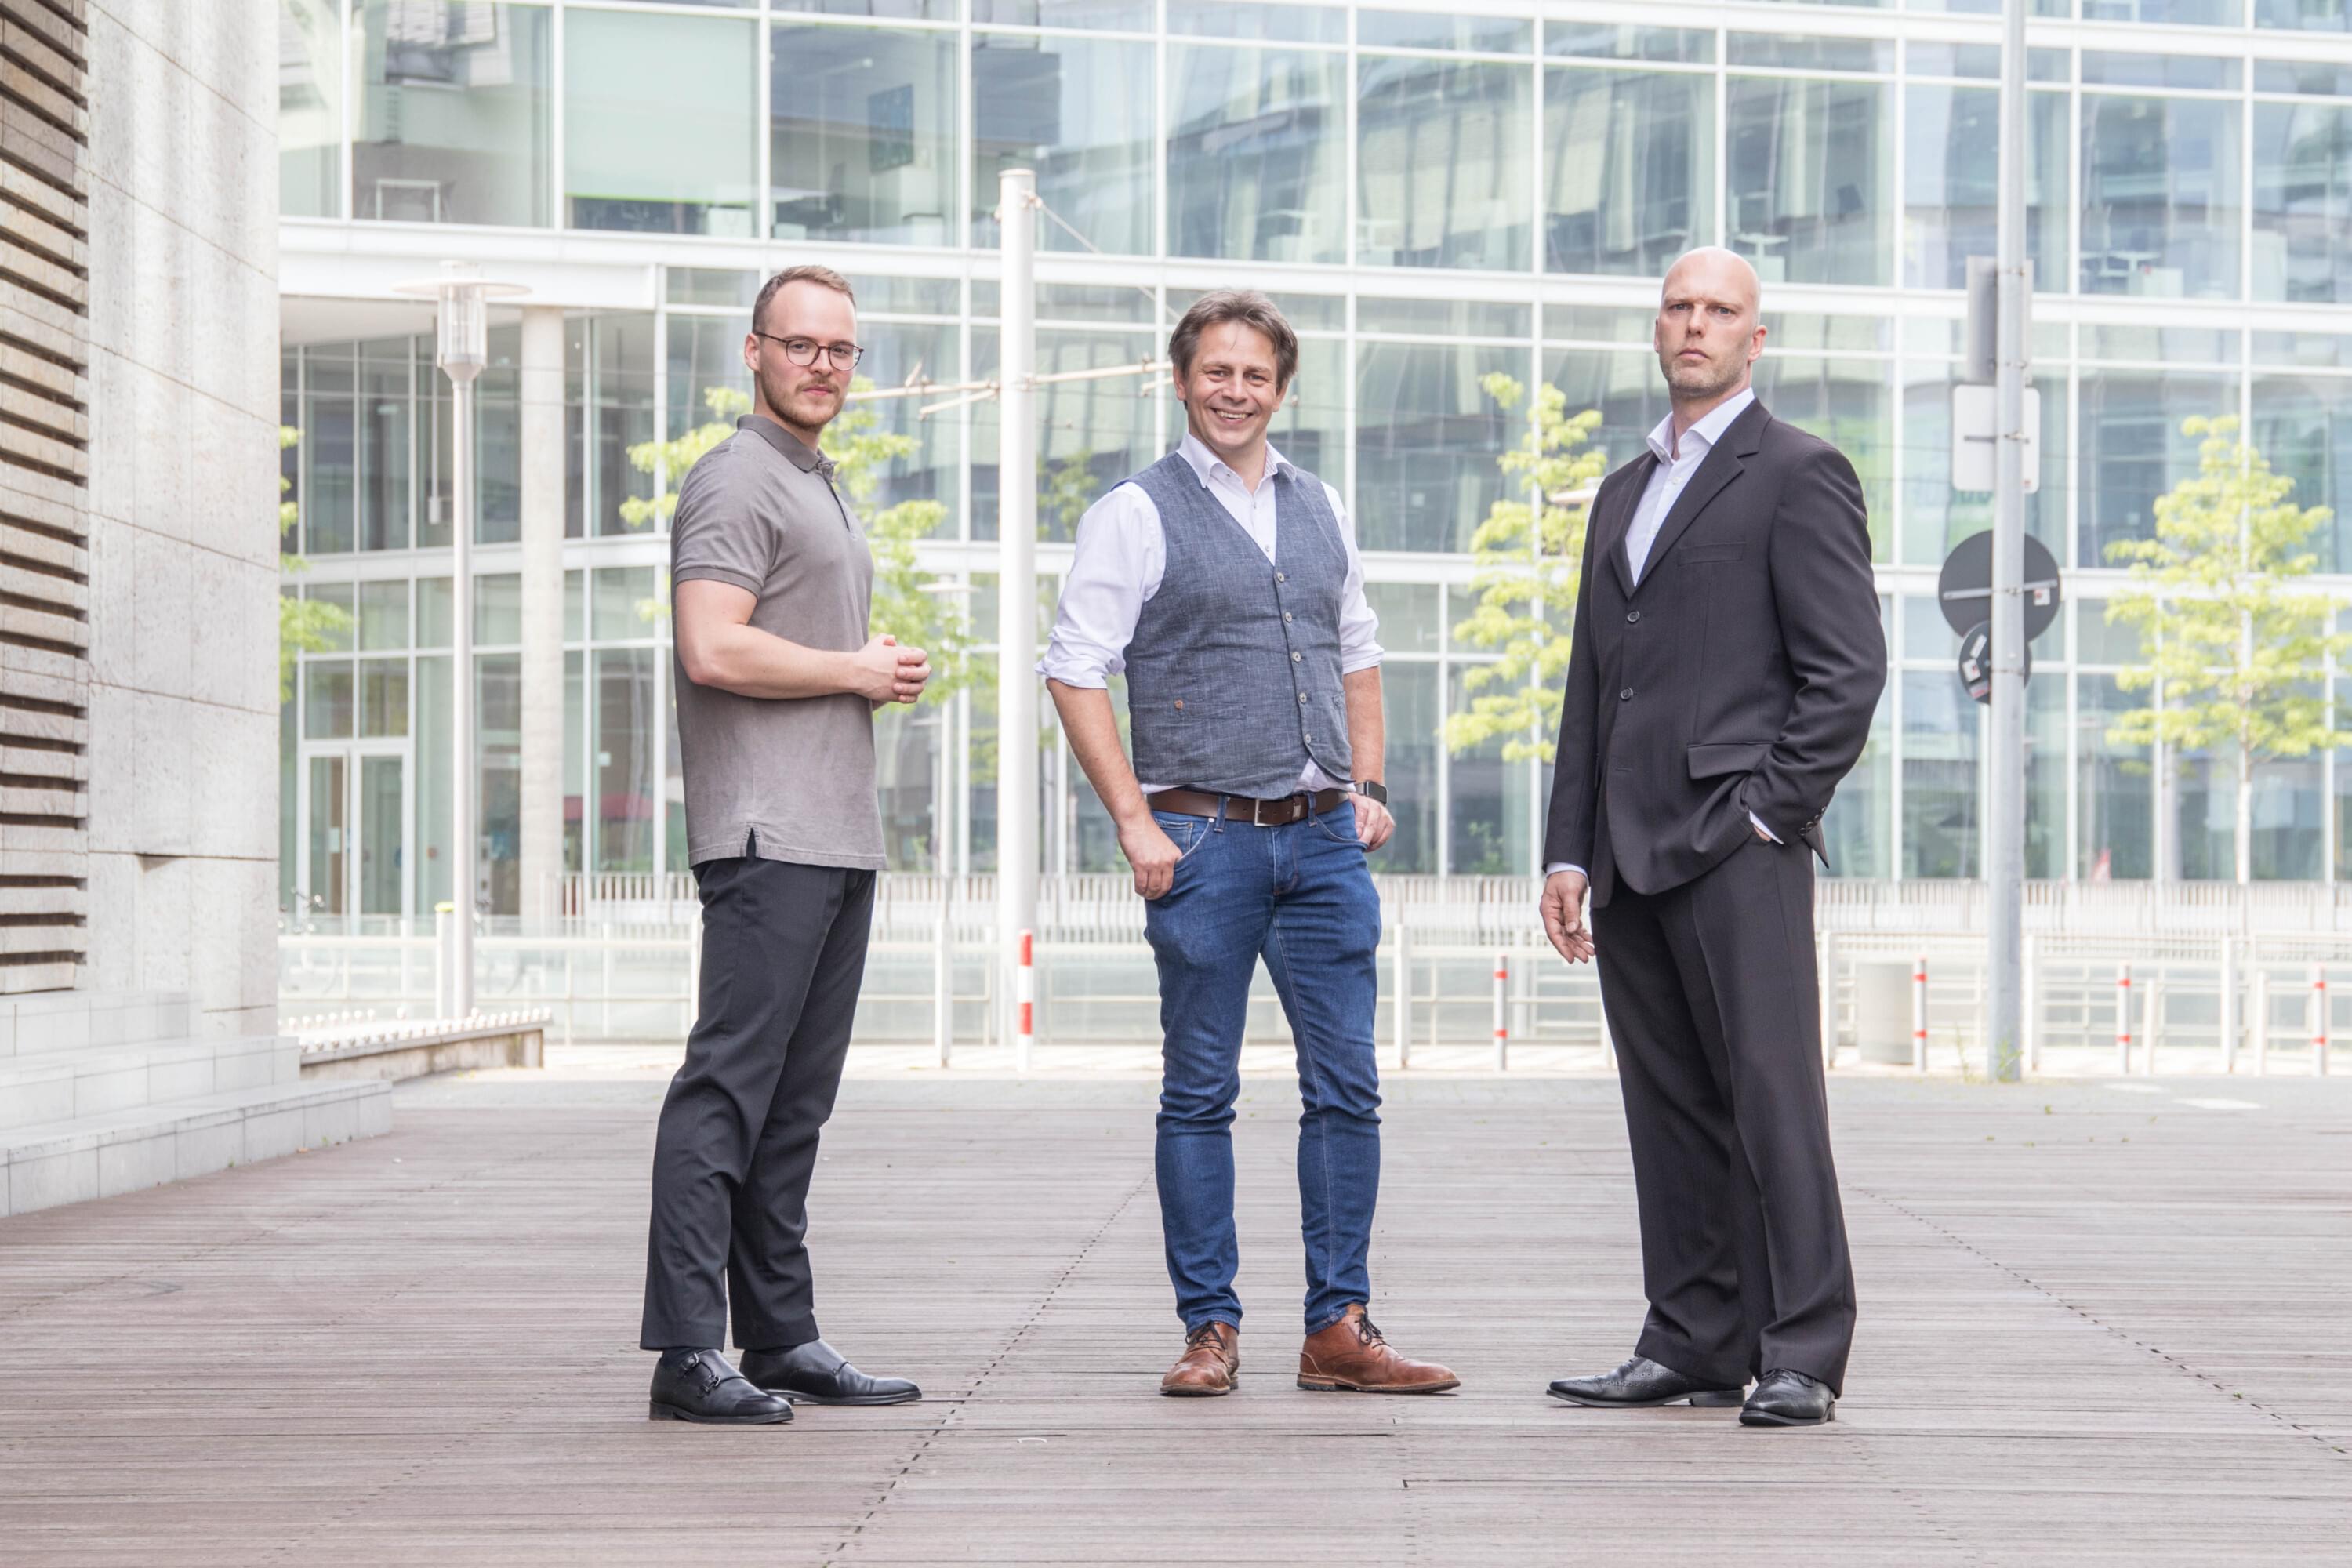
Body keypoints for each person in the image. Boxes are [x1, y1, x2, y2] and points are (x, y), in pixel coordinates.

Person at [1044, 289, 1457, 1399]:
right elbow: (1075, 668)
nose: (1236, 391)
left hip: (1322, 842)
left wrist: (1369, 783)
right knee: (1199, 1092)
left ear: (1283, 389)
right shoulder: (1135, 512)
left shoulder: (1320, 503)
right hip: (1203, 837)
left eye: (1256, 375)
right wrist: (1134, 819)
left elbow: (1357, 649)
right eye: (1217, 372)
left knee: (1348, 1088)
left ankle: (1339, 1328)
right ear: (1182, 380)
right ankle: (1209, 1328)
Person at [1537, 248, 1885, 1429]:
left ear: (1755, 337)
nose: (1696, 325)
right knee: (1670, 1106)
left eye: (1720, 310)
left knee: (1774, 1103)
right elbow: (1595, 686)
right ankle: (1692, 1339)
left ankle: (1804, 1350)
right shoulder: (1623, 491)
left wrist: (1768, 813)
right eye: (1679, 307)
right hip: (1627, 854)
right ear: (1658, 328)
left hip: (1739, 846)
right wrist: (1568, 850)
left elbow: (1847, 674)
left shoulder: (1798, 472)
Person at [641, 265, 930, 1425]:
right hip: (769, 832)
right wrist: (855, 669)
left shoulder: (818, 479)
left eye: (840, 349)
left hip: (835, 832)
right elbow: (712, 645)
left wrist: (863, 670)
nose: (822, 365)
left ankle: (780, 1335)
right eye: (800, 344)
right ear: (753, 351)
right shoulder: (734, 476)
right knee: (726, 1091)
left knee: (793, 1105)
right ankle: (685, 1352)